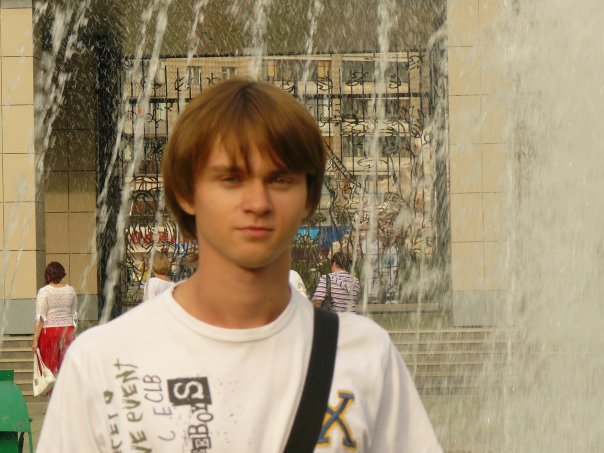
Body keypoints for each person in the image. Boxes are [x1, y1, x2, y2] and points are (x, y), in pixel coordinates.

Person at [38, 79, 443, 452]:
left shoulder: (364, 356)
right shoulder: (102, 365)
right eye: (231, 179)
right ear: (187, 193)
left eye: (280, 179)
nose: (257, 202)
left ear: (309, 196)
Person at [31, 262, 77, 378]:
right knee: (67, 366)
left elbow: (41, 318)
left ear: (47, 274)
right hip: (68, 330)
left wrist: (35, 339)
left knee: (49, 368)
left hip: (50, 332)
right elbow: (73, 314)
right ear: (61, 274)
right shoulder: (71, 290)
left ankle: (52, 389)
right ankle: (66, 388)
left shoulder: (44, 291)